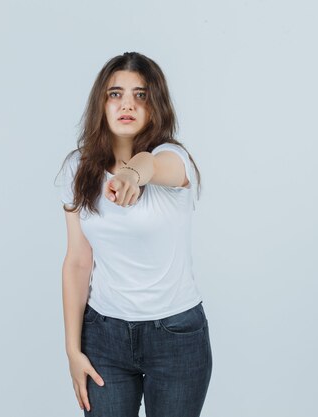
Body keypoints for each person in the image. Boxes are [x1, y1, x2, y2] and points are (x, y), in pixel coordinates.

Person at [55, 51, 212, 417]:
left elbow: (152, 164)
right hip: (104, 337)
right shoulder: (77, 169)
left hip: (176, 337)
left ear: (155, 106)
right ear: (101, 103)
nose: (127, 104)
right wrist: (72, 350)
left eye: (140, 95)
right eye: (116, 94)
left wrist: (130, 175)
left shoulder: (173, 159)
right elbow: (77, 261)